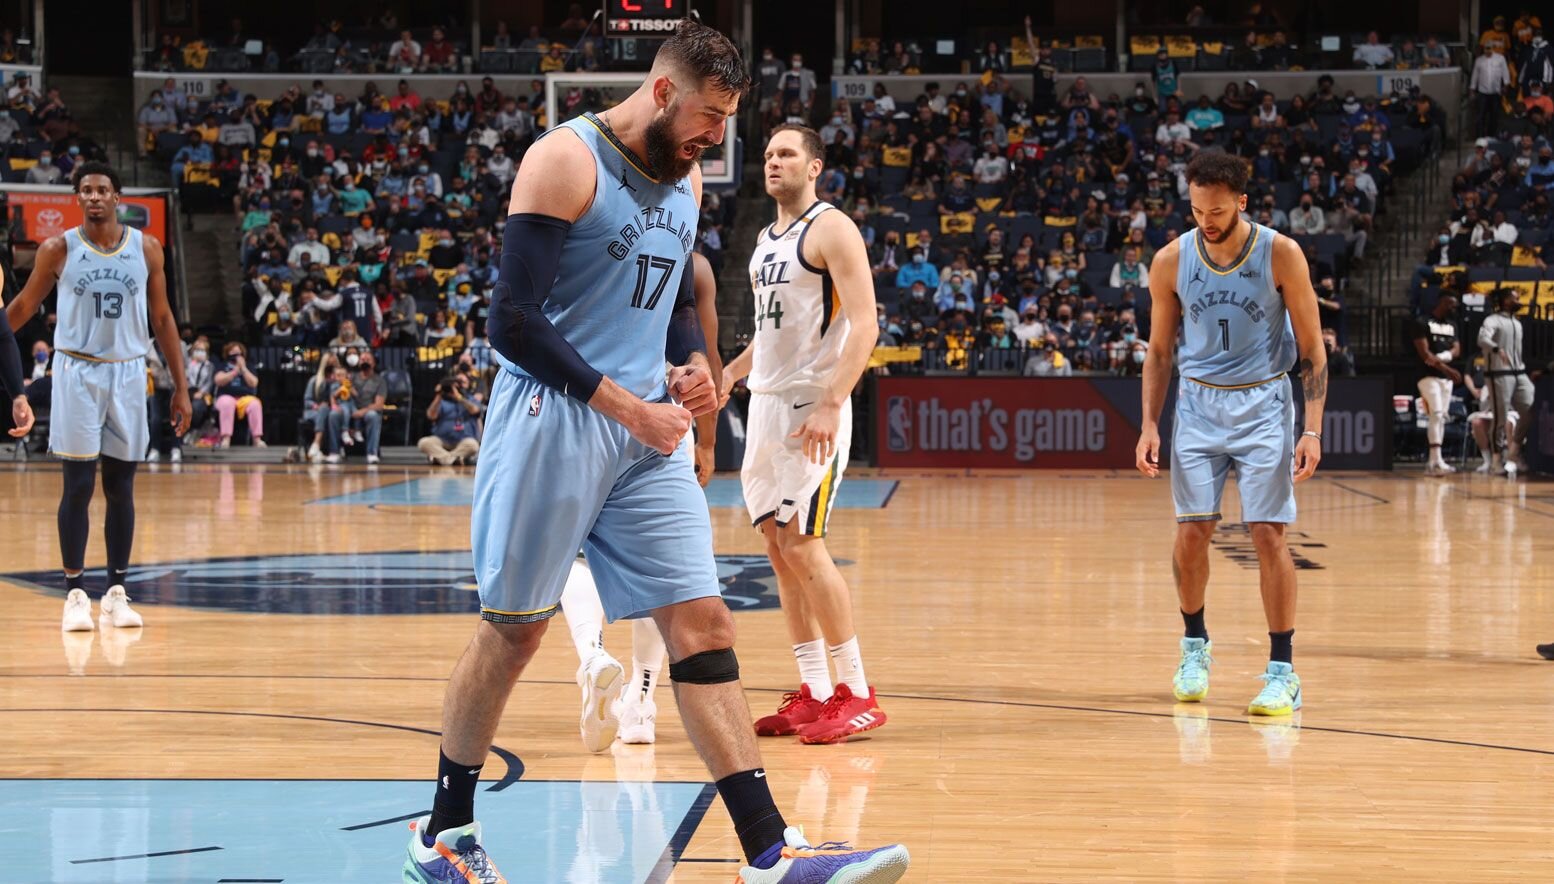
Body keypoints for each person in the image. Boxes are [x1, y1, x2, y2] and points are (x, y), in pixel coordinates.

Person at [402, 22, 908, 883]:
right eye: (709, 116)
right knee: (514, 634)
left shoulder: (692, 178)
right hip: (552, 419)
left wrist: (693, 373)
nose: (718, 137)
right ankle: (444, 832)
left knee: (702, 624)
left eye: (729, 122)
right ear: (665, 92)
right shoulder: (564, 161)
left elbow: (663, 299)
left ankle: (769, 850)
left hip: (646, 428)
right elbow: (512, 323)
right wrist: (623, 404)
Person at [1135, 151, 1326, 718]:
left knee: (1268, 534)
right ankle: (1194, 646)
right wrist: (1149, 422)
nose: (1206, 220)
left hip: (1265, 400)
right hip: (1196, 405)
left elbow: (1313, 350)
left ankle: (1282, 670)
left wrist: (1311, 428)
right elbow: (1161, 351)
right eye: (1196, 210)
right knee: (1192, 534)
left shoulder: (1281, 254)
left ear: (1241, 202)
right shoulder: (1170, 261)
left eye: (1216, 210)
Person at [719, 123, 886, 746]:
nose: (773, 162)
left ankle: (858, 691)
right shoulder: (765, 239)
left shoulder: (833, 227)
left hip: (810, 411)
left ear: (814, 166)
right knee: (777, 548)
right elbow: (771, 334)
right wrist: (731, 372)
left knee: (806, 543)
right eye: (767, 154)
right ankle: (815, 692)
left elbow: (865, 324)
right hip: (765, 406)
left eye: (786, 153)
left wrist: (831, 400)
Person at [4, 162, 191, 632]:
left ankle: (115, 593)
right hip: (76, 372)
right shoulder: (57, 248)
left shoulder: (146, 248)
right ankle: (74, 594)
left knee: (121, 488)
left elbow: (164, 320)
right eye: (85, 190)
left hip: (129, 373)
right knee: (79, 486)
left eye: (102, 189)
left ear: (117, 196)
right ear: (77, 198)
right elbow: (24, 307)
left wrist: (181, 386)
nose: (93, 197)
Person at [556, 253, 723, 751]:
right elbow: (704, 363)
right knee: (662, 572)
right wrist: (709, 442)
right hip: (663, 412)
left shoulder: (589, 242)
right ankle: (641, 703)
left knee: (569, 554)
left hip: (586, 406)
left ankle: (591, 655)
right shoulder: (693, 264)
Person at [1478, 287, 1533, 473]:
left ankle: (1514, 452)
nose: (1518, 301)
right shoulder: (1492, 320)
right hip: (1499, 373)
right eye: (1514, 298)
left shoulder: (1517, 322)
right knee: (1500, 418)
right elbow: (1482, 338)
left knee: (1529, 409)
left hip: (1520, 372)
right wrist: (1496, 349)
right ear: (1504, 301)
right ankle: (1495, 460)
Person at [1408, 294, 1463, 476]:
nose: (1454, 309)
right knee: (1437, 413)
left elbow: (1457, 348)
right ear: (1442, 302)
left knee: (1441, 417)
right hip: (1427, 376)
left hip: (1445, 379)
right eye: (1451, 305)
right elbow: (1425, 355)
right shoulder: (1422, 322)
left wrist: (1445, 358)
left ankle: (1436, 460)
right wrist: (1448, 370)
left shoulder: (1451, 324)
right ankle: (1434, 459)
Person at [418, 375, 482, 465]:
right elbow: (431, 416)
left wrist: (459, 398)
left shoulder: (471, 399)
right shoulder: (442, 401)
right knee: (423, 443)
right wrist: (439, 395)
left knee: (473, 445)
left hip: (463, 440)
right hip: (442, 440)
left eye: (462, 383)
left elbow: (475, 410)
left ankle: (441, 458)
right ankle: (454, 459)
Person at [213, 341, 265, 448]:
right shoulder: (222, 365)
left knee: (255, 404)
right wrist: (235, 371)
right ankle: (226, 438)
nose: (236, 355)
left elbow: (254, 383)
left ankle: (257, 439)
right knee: (227, 404)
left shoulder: (249, 365)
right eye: (232, 352)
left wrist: (243, 369)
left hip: (244, 397)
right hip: (226, 396)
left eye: (238, 352)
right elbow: (218, 380)